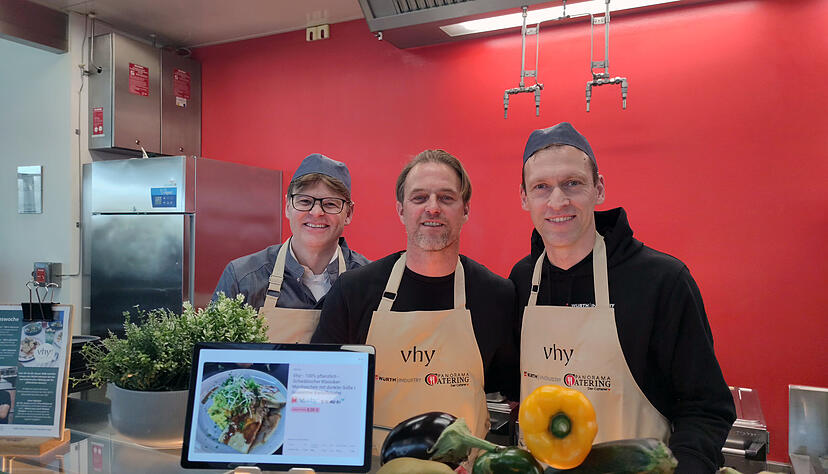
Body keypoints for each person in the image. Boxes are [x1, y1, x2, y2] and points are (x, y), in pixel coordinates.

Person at [510, 122, 735, 473]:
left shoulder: (662, 280)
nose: (558, 201)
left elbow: (705, 408)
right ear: (524, 198)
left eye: (572, 183)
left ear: (598, 189)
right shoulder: (523, 279)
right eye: (541, 187)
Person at [312, 149, 518, 450]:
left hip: (462, 466)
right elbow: (320, 391)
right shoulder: (353, 291)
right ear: (401, 210)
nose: (432, 208)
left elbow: (511, 391)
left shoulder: (497, 295)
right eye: (419, 198)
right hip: (375, 466)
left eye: (446, 198)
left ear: (465, 209)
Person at [212, 153, 369, 343]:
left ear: (349, 213)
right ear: (287, 206)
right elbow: (215, 358)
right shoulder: (242, 278)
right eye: (304, 201)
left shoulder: (369, 282)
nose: (316, 212)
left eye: (330, 204)